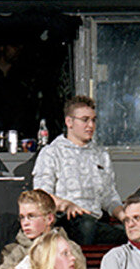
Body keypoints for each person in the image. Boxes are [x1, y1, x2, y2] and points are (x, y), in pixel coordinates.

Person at [32, 94, 125, 245]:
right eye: (85, 120)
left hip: (96, 221)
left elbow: (109, 196)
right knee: (86, 225)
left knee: (131, 234)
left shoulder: (101, 155)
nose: (91, 125)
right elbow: (41, 196)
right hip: (66, 221)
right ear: (69, 122)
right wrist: (66, 204)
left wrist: (125, 216)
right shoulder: (52, 153)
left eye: (93, 120)